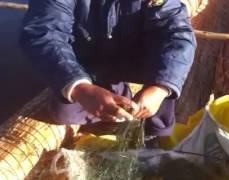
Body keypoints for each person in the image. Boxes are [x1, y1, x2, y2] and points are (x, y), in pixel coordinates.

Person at [19, 0, 196, 137]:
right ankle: (117, 103)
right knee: (63, 111)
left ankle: (158, 132)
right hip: (89, 58)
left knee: (166, 71)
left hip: (136, 54)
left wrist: (160, 89)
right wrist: (80, 88)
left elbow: (177, 33)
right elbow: (43, 33)